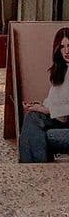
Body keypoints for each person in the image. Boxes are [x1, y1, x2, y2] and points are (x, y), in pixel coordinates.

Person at [19, 27, 69, 162]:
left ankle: (33, 170)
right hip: (61, 122)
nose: (67, 51)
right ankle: (34, 169)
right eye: (62, 47)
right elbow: (55, 100)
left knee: (37, 137)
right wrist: (40, 106)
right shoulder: (62, 70)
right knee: (33, 117)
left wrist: (45, 109)